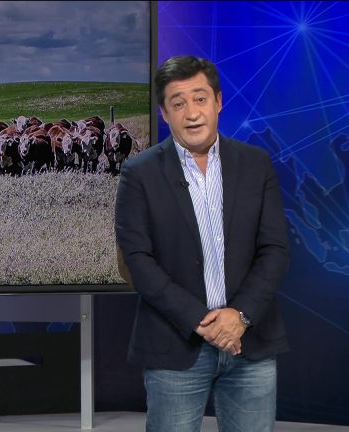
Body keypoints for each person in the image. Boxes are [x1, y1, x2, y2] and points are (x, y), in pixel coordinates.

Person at [114, 55, 290, 432]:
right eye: (178, 103)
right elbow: (137, 260)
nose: (192, 113)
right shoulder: (139, 173)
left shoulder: (255, 164)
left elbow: (274, 249)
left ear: (218, 101)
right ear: (164, 113)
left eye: (200, 99)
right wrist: (201, 321)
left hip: (250, 342)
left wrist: (239, 315)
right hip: (174, 345)